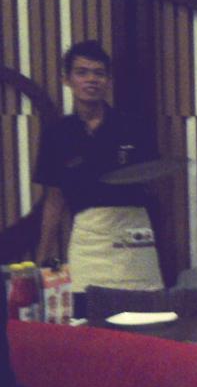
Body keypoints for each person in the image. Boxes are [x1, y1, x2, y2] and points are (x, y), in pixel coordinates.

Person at [33, 40, 163, 313]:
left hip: (133, 232)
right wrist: (43, 256)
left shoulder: (134, 126)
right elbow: (54, 199)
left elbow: (154, 178)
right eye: (82, 72)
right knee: (86, 315)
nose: (91, 79)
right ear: (67, 79)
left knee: (145, 316)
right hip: (88, 237)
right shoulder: (57, 133)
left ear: (108, 80)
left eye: (99, 73)